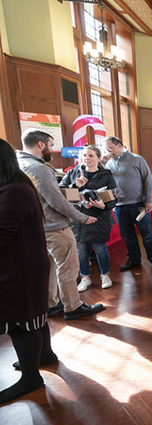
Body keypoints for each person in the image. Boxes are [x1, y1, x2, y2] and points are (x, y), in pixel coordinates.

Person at [18, 130, 104, 320]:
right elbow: (56, 201)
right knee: (68, 268)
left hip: (38, 228)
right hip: (56, 228)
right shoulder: (40, 168)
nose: (52, 148)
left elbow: (51, 194)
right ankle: (73, 306)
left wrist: (74, 189)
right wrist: (82, 217)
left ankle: (51, 303)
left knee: (49, 268)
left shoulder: (19, 163)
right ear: (41, 145)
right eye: (50, 144)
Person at [0, 139, 58, 404]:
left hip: (19, 269)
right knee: (35, 316)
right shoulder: (17, 185)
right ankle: (44, 356)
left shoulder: (14, 190)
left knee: (21, 323)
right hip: (25, 266)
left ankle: (31, 377)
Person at [60, 145, 118, 291]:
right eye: (85, 155)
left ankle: (105, 275)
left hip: (99, 217)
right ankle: (85, 277)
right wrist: (75, 186)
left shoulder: (106, 175)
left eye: (91, 155)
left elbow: (114, 197)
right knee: (81, 250)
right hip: (79, 218)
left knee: (100, 249)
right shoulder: (74, 172)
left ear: (98, 158)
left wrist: (103, 206)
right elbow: (61, 191)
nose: (87, 158)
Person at [104, 137, 152, 272]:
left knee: (147, 233)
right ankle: (134, 259)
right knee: (127, 235)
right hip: (119, 206)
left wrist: (148, 200)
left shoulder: (137, 159)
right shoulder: (108, 164)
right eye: (106, 149)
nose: (108, 151)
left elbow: (148, 180)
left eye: (110, 148)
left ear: (119, 145)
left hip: (138, 203)